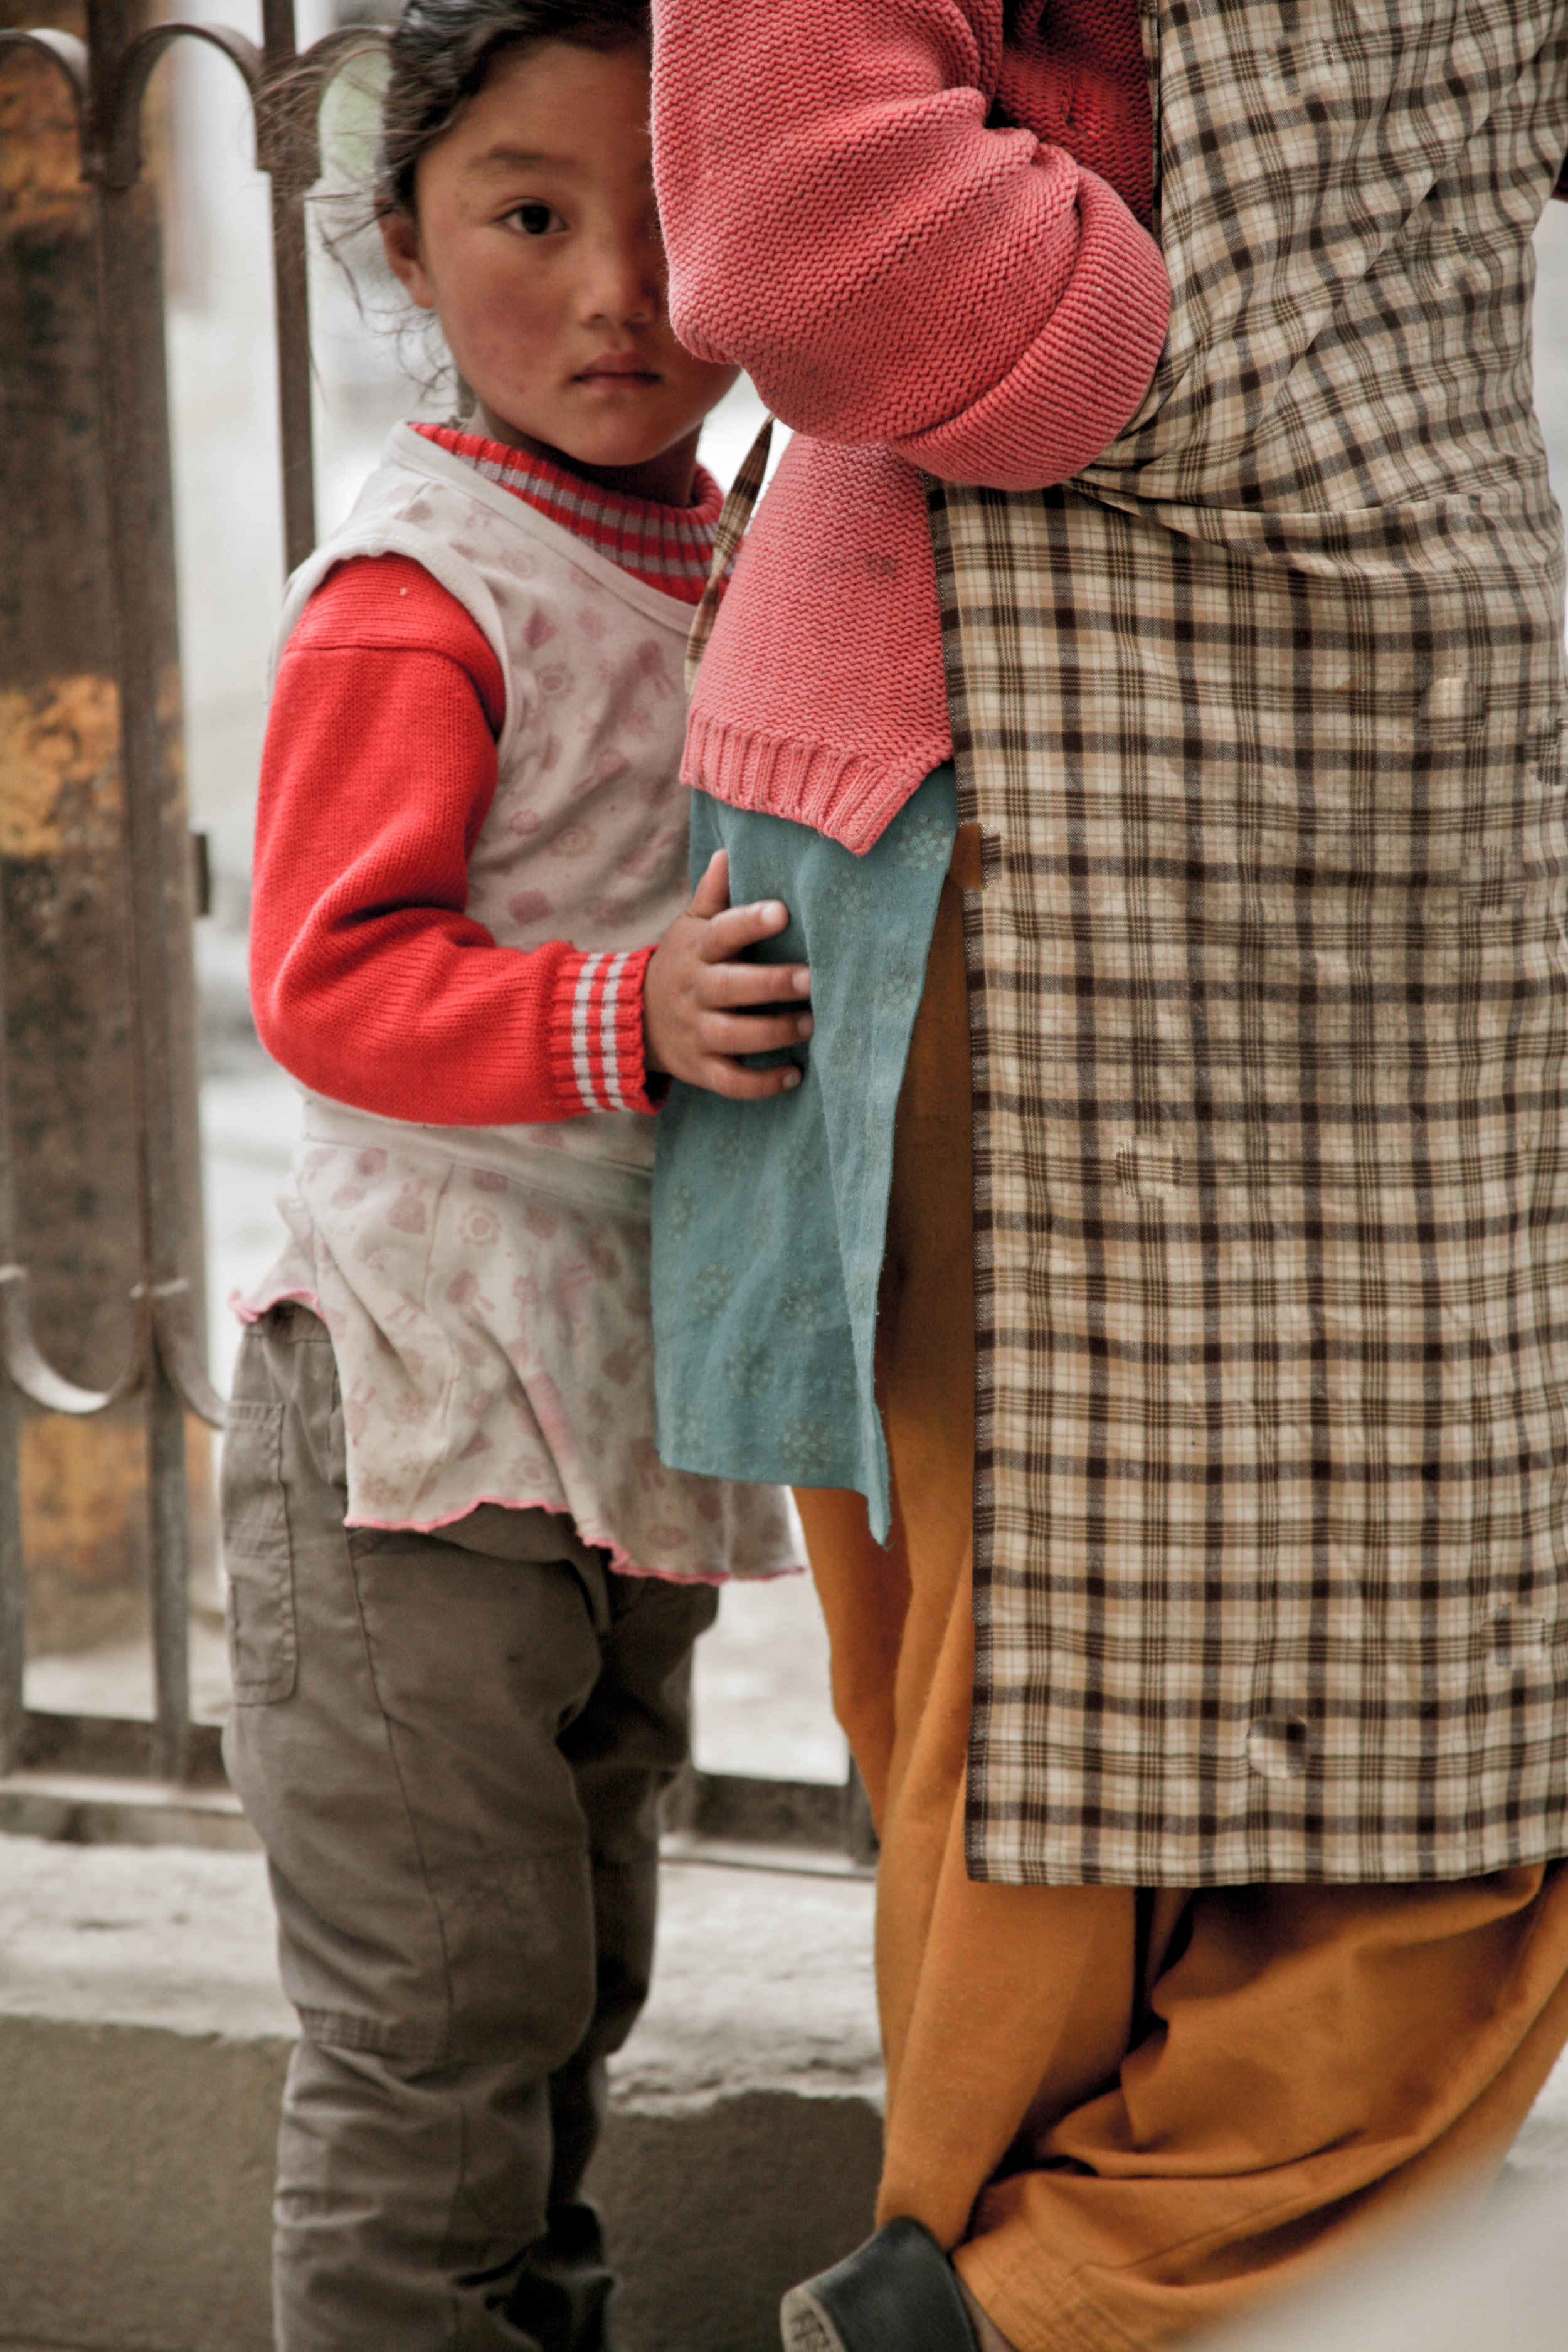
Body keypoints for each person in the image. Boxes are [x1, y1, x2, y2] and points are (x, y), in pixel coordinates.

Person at [646, 1, 1568, 2348]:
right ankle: (995, 2304)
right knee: (1060, 1752)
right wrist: (1277, 382)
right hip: (1016, 776)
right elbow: (812, 216)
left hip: (1390, 763)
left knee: (1453, 1740)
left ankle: (979, 2319)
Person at [221, 5, 810, 2343]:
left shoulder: (724, 545)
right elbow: (330, 976)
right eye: (532, 218)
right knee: (436, 2052)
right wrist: (620, 1017)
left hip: (600, 1432)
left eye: (678, 222)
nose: (617, 293)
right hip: (413, 1445)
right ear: (402, 243)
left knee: (559, 2013)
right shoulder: (421, 581)